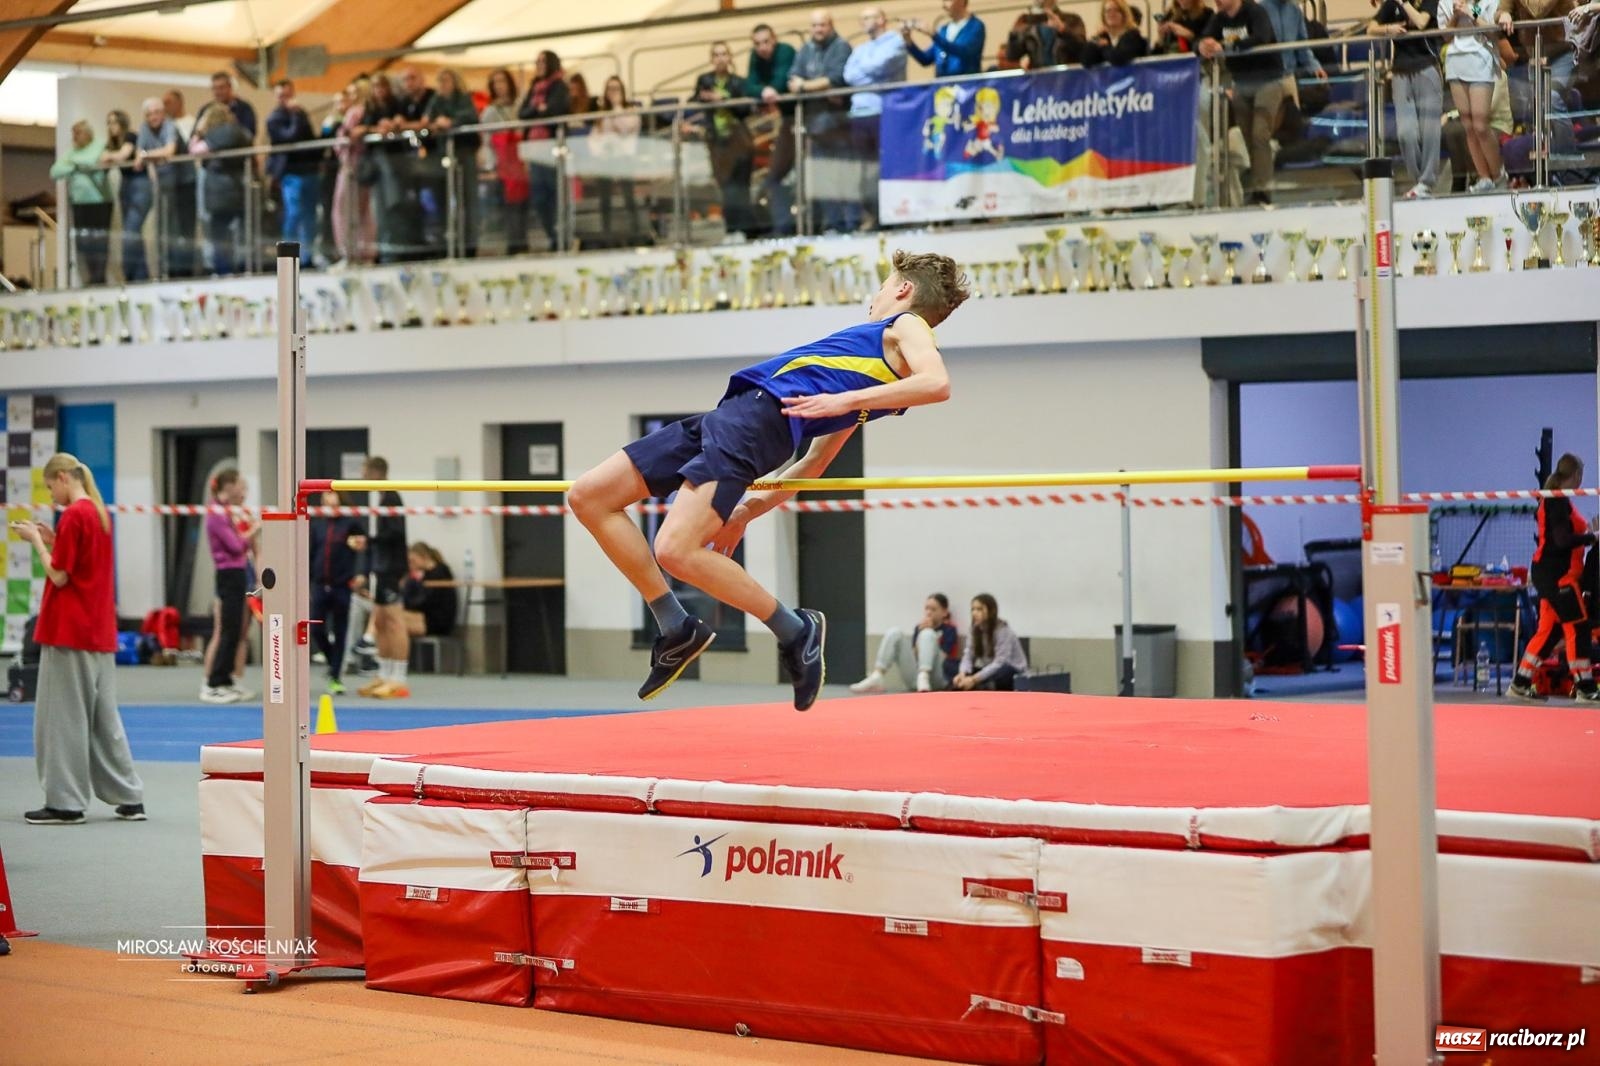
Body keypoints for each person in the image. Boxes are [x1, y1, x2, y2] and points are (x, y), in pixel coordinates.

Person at [568, 250, 970, 712]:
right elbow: (812, 464)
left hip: (753, 426)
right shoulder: (866, 372)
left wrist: (842, 402)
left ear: (903, 289)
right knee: (589, 497)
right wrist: (746, 511)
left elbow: (937, 383)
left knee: (675, 549)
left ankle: (794, 630)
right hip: (727, 418)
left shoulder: (907, 325)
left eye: (882, 286)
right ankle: (675, 625)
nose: (873, 298)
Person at [12, 455, 144, 825]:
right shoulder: (99, 514)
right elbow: (81, 564)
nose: (51, 495)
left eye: (50, 487)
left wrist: (37, 542)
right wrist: (54, 541)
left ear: (63, 477)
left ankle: (66, 802)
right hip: (98, 631)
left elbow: (59, 576)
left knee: (63, 719)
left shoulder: (73, 515)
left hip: (69, 631)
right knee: (104, 719)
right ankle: (129, 795)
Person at [1509, 453, 1600, 701]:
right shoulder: (1557, 501)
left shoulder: (1556, 499)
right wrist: (1592, 538)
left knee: (1549, 631)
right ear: (1577, 475)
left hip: (1548, 575)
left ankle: (1520, 683)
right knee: (1578, 628)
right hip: (1559, 577)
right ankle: (1586, 688)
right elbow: (1561, 540)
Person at [1198, 0, 1281, 204]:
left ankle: (1263, 190)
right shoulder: (1219, 19)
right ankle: (1256, 187)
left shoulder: (1255, 11)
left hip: (1267, 80)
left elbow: (1261, 37)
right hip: (1241, 83)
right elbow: (1203, 38)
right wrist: (1202, 45)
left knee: (1260, 133)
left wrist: (1226, 46)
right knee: (1247, 137)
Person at [348, 456, 409, 699]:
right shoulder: (381, 497)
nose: (362, 477)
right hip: (380, 567)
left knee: (395, 622)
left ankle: (399, 678)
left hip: (392, 568)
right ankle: (384, 673)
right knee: (381, 622)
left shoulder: (392, 497)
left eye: (365, 472)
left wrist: (369, 541)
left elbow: (396, 533)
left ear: (376, 472)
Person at [789, 11, 855, 234]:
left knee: (845, 174)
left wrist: (805, 86)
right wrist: (817, 87)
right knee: (823, 177)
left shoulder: (841, 47)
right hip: (814, 125)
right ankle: (834, 223)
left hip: (839, 123)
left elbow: (836, 78)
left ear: (831, 25)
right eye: (814, 25)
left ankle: (852, 222)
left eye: (822, 25)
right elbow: (792, 79)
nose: (818, 29)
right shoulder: (806, 50)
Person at [1369, 0, 1443, 197]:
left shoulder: (1427, 2)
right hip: (1400, 71)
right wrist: (1388, 29)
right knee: (1405, 132)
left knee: (1429, 130)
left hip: (1426, 66)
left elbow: (1421, 22)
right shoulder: (1391, 4)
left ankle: (1426, 182)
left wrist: (1404, 3)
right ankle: (1420, 182)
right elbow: (1371, 28)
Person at [844, 7, 908, 231]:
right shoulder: (860, 48)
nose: (862, 22)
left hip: (885, 112)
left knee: (887, 166)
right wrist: (871, 72)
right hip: (859, 114)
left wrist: (865, 70)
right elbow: (849, 75)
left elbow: (882, 65)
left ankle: (895, 215)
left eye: (867, 18)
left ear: (881, 19)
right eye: (860, 18)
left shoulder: (896, 42)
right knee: (866, 169)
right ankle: (873, 215)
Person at [690, 42, 757, 239]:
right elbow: (694, 100)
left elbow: (745, 109)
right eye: (716, 55)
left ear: (730, 57)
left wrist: (724, 99)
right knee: (725, 187)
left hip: (738, 139)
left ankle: (745, 229)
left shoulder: (739, 82)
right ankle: (731, 229)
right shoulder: (704, 80)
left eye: (724, 54)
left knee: (740, 186)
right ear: (711, 59)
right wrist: (705, 98)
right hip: (717, 141)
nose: (720, 59)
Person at [200, 469, 254, 703]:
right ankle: (213, 682)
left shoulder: (227, 511)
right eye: (240, 485)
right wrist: (255, 531)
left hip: (238, 573)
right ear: (228, 486)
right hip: (228, 574)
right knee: (226, 630)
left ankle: (226, 680)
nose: (243, 491)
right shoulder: (217, 513)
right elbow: (235, 546)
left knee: (235, 629)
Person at [1439, 0, 1504, 192]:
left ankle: (1499, 176)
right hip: (1455, 63)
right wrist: (1455, 15)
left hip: (1481, 61)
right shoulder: (1446, 2)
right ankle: (1484, 177)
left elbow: (1493, 31)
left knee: (1481, 125)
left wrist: (1471, 12)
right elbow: (1445, 36)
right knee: (1468, 127)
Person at [422, 69, 482, 258]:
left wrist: (451, 121)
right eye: (440, 81)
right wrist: (434, 124)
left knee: (468, 199)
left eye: (446, 80)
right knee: (444, 199)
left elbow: (470, 116)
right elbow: (426, 120)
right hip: (443, 154)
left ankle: (470, 244)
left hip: (464, 152)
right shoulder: (436, 101)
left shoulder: (463, 99)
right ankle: (447, 243)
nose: (443, 84)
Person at [850, 592, 960, 693]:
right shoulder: (919, 627)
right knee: (895, 632)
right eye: (927, 608)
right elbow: (915, 656)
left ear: (944, 612)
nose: (929, 612)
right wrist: (920, 635)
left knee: (928, 634)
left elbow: (945, 658)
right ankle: (877, 675)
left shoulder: (950, 629)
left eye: (933, 609)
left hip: (939, 677)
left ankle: (924, 675)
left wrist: (930, 632)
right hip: (917, 678)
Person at [748, 22, 799, 237]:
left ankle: (822, 224)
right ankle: (784, 225)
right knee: (774, 177)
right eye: (757, 43)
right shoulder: (755, 57)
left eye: (766, 42)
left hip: (805, 116)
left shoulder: (786, 52)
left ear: (774, 40)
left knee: (812, 174)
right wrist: (763, 91)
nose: (762, 47)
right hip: (788, 120)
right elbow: (749, 85)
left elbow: (781, 81)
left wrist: (769, 89)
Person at [519, 50, 572, 251]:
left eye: (543, 61)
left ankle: (562, 235)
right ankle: (552, 234)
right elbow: (523, 113)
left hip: (552, 146)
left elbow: (554, 110)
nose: (539, 65)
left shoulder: (560, 86)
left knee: (554, 193)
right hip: (534, 148)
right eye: (537, 61)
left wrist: (540, 110)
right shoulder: (534, 87)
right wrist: (538, 109)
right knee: (540, 197)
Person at [189, 105, 252, 276]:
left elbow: (194, 150)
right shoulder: (240, 132)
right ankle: (243, 267)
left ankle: (223, 269)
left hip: (218, 191)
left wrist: (198, 132)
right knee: (240, 232)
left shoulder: (213, 135)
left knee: (220, 233)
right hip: (239, 187)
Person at [309, 490, 359, 695]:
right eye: (325, 498)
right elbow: (311, 553)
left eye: (332, 496)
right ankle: (333, 662)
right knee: (315, 628)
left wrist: (360, 574)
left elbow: (361, 549)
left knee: (340, 631)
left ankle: (336, 676)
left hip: (342, 585)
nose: (328, 500)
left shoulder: (351, 523)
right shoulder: (317, 525)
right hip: (320, 585)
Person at [267, 80, 321, 267]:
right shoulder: (274, 119)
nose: (286, 99)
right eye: (281, 96)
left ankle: (308, 256)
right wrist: (296, 116)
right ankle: (289, 258)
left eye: (288, 95)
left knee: (310, 215)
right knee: (294, 213)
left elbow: (309, 138)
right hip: (290, 174)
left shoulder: (301, 113)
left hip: (309, 171)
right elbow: (291, 137)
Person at [51, 120, 112, 287]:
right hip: (79, 204)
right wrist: (77, 165)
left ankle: (100, 278)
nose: (75, 137)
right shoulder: (72, 152)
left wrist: (74, 164)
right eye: (73, 134)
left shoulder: (99, 145)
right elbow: (55, 171)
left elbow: (93, 162)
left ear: (87, 133)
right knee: (84, 243)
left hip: (100, 202)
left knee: (99, 241)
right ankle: (91, 277)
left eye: (78, 133)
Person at [481, 68, 529, 255]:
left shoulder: (520, 107)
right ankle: (514, 243)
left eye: (503, 81)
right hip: (504, 164)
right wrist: (491, 165)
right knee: (511, 206)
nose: (500, 86)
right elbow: (487, 141)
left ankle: (523, 241)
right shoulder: (490, 112)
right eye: (496, 82)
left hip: (521, 161)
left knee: (523, 204)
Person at [592, 75, 643, 242]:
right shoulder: (601, 114)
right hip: (605, 160)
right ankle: (606, 233)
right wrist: (600, 151)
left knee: (628, 197)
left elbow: (625, 129)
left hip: (624, 159)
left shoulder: (630, 111)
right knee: (604, 199)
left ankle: (635, 231)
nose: (612, 92)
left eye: (616, 89)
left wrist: (616, 108)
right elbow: (595, 137)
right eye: (609, 89)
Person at [952, 593, 1029, 691]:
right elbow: (968, 655)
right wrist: (962, 673)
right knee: (950, 664)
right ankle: (968, 685)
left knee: (1004, 671)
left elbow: (1000, 663)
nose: (974, 613)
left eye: (979, 609)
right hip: (988, 670)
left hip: (1010, 671)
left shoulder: (1003, 630)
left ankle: (980, 687)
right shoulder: (974, 629)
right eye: (973, 609)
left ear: (991, 611)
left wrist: (974, 679)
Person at [903, 0, 988, 76]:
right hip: (942, 86)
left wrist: (934, 35)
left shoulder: (975, 26)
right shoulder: (943, 30)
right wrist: (908, 40)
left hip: (966, 85)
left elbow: (964, 52)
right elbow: (925, 60)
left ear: (961, 1)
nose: (943, 6)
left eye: (948, 0)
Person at [401, 543, 458, 638]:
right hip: (427, 617)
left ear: (424, 557)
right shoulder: (427, 575)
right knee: (390, 618)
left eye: (413, 561)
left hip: (438, 623)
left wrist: (409, 587)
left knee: (395, 624)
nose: (410, 565)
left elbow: (424, 603)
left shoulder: (440, 574)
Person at [1084, 0, 1151, 64]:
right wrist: (1096, 37)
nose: (1111, 14)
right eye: (1108, 11)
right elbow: (1086, 60)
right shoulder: (1103, 37)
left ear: (1124, 14)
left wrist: (1104, 47)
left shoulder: (1133, 36)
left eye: (1116, 10)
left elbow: (1119, 58)